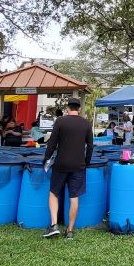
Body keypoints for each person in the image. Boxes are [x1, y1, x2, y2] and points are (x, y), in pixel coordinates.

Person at [42, 98, 93, 240]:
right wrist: (86, 162)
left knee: (53, 193)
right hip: (78, 165)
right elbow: (90, 146)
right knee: (74, 197)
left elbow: (52, 143)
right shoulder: (86, 124)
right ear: (79, 109)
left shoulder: (60, 121)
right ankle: (70, 231)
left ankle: (54, 225)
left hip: (61, 164)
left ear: (67, 108)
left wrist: (46, 158)